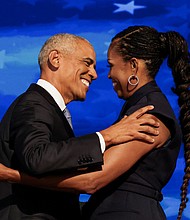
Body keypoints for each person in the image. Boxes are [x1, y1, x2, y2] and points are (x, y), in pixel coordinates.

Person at [0, 33, 159, 220]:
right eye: (87, 63)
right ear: (55, 59)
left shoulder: (49, 108)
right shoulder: (34, 103)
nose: (94, 74)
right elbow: (37, 157)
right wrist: (107, 136)